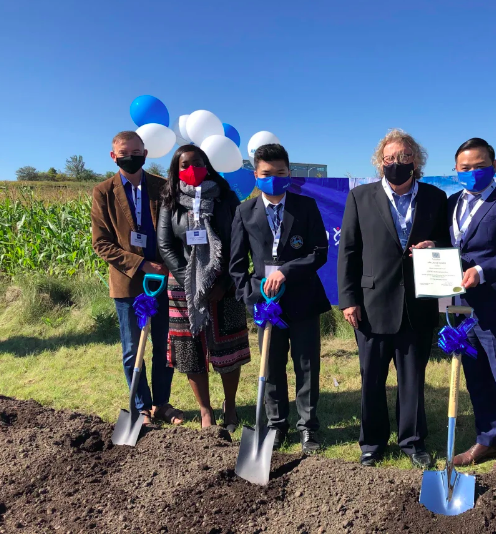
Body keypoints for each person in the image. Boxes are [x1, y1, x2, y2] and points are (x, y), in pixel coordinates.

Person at [416, 137, 496, 475]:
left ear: (494, 166)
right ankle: (487, 438)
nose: (472, 173)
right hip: (461, 308)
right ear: (455, 170)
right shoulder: (452, 202)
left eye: (479, 166)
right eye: (465, 168)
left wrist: (481, 271)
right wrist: (431, 245)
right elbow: (453, 245)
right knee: (476, 378)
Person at [337, 129, 449, 469]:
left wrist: (435, 248)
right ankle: (371, 442)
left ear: (416, 160)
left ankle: (412, 441)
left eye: (403, 157)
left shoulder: (435, 197)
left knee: (413, 378)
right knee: (371, 377)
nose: (396, 163)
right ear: (379, 162)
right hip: (371, 304)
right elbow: (349, 251)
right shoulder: (360, 197)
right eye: (389, 158)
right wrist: (348, 300)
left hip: (418, 303)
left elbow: (447, 245)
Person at [229, 143, 331, 455]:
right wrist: (252, 300)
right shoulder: (245, 212)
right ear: (256, 175)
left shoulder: (305, 207)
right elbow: (236, 265)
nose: (274, 178)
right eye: (267, 174)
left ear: (289, 173)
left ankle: (308, 428)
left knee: (306, 365)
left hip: (302, 300)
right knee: (271, 367)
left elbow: (319, 252)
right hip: (266, 306)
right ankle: (275, 425)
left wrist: (286, 271)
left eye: (281, 173)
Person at [91, 130, 183, 427]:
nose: (130, 157)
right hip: (129, 283)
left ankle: (162, 403)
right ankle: (141, 406)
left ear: (145, 153)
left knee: (163, 346)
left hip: (163, 280)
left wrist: (169, 266)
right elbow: (102, 243)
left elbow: (176, 230)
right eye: (123, 152)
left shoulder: (163, 187)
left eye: (136, 152)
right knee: (133, 349)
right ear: (113, 155)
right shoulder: (104, 192)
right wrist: (142, 264)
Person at [157, 144, 250, 432]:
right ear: (176, 170)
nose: (191, 169)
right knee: (191, 350)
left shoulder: (226, 197)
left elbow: (239, 240)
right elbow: (166, 245)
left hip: (225, 285)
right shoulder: (170, 201)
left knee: (228, 349)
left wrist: (224, 281)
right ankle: (205, 410)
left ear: (207, 165)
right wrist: (191, 281)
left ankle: (230, 407)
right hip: (184, 287)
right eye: (184, 165)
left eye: (197, 163)